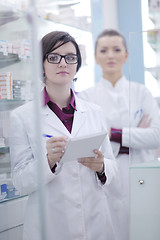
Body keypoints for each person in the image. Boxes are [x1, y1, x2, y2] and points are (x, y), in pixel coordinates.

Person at [9, 31, 118, 240]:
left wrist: (102, 167)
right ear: (41, 64)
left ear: (77, 64)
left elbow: (112, 166)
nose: (63, 63)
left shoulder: (94, 111)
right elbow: (20, 181)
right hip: (50, 225)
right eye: (53, 57)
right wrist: (48, 161)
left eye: (70, 57)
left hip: (95, 222)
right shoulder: (22, 117)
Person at [78, 29, 160, 240]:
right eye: (104, 50)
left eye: (116, 49)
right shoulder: (86, 97)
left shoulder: (141, 92)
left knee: (145, 231)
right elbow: (88, 144)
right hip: (105, 180)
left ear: (126, 55)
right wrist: (134, 137)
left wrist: (111, 133)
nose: (110, 55)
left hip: (143, 174)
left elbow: (156, 136)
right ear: (96, 57)